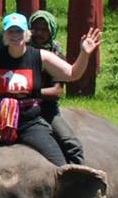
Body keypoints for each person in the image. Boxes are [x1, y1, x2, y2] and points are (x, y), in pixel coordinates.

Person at [0, 13, 101, 167]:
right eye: (10, 30)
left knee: (59, 165)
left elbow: (72, 73)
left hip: (30, 121)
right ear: (5, 34)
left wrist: (84, 53)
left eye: (19, 30)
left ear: (26, 34)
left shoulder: (40, 56)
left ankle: (78, 188)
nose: (15, 34)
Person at [27, 10, 89, 165]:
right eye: (35, 28)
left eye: (44, 29)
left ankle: (82, 181)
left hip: (46, 109)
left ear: (52, 31)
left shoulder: (56, 55)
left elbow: (57, 91)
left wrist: (29, 92)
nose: (39, 33)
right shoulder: (21, 51)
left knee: (72, 145)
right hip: (19, 107)